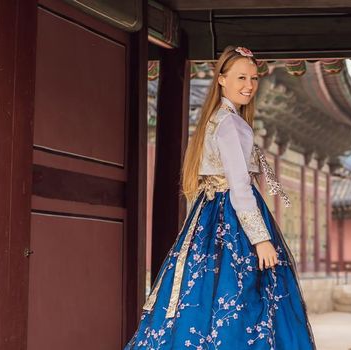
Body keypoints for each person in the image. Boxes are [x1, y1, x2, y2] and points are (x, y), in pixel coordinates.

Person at [125, 46, 316, 349]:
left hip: (213, 217)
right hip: (233, 217)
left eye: (254, 78)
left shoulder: (220, 120)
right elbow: (239, 186)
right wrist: (260, 238)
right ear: (221, 79)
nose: (249, 86)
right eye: (241, 77)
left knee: (208, 299)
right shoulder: (230, 124)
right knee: (243, 300)